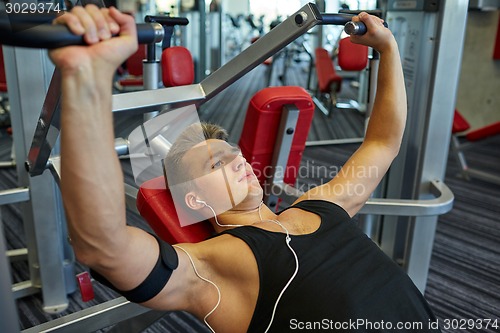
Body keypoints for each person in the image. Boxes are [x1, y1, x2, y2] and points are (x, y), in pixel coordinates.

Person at [50, 5, 441, 333]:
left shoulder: (318, 205)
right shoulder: (212, 268)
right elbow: (103, 247)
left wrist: (388, 48)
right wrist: (88, 80)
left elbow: (382, 142)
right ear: (194, 198)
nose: (238, 161)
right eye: (217, 163)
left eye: (234, 153)